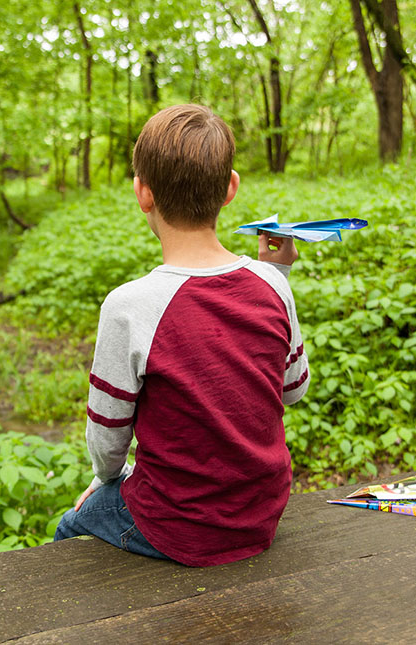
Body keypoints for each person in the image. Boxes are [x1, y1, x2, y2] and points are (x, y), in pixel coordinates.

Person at [54, 104, 310, 567]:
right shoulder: (273, 284)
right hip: (261, 512)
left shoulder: (129, 306)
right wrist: (278, 273)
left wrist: (107, 479)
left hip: (177, 526)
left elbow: (109, 438)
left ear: (142, 193)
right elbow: (294, 390)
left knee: (71, 527)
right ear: (230, 188)